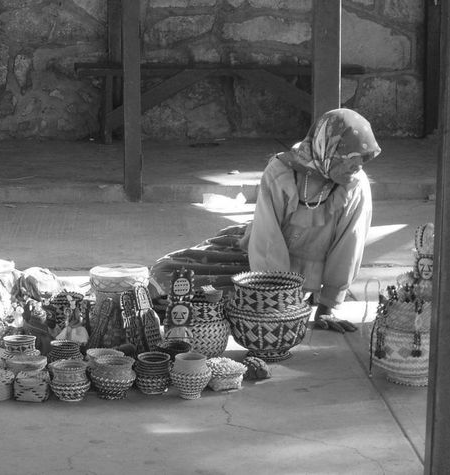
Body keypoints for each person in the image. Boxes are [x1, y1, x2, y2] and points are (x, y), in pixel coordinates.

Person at [150, 108, 381, 333]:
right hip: (259, 263)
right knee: (171, 277)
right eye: (350, 159)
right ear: (327, 149)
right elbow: (267, 239)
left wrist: (327, 306)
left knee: (235, 311)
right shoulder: (281, 172)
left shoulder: (355, 186)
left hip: (302, 277)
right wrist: (275, 299)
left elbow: (349, 247)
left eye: (363, 159)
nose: (357, 167)